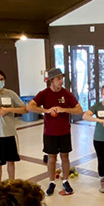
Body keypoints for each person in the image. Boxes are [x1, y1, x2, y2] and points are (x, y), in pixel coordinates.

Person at [26, 68, 83, 196]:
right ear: (51, 80)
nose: (61, 81)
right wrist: (46, 111)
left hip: (64, 132)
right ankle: (51, 182)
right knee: (51, 158)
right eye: (58, 79)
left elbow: (79, 110)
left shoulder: (67, 94)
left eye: (62, 78)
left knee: (65, 157)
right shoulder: (44, 93)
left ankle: (65, 181)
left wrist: (64, 110)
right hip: (50, 132)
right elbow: (30, 106)